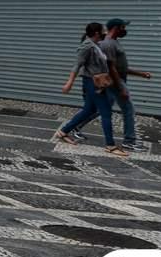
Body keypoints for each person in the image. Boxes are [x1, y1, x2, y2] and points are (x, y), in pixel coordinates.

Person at [54, 22, 128, 157]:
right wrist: (69, 83)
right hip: (92, 83)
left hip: (98, 82)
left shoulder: (97, 46)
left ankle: (63, 131)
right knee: (106, 112)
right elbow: (77, 65)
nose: (105, 32)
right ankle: (110, 145)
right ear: (96, 33)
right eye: (103, 31)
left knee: (90, 109)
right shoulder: (86, 47)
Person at [99, 18, 151, 152]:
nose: (125, 30)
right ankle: (129, 141)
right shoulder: (108, 44)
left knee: (100, 108)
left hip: (117, 80)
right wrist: (121, 87)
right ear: (116, 28)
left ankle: (73, 127)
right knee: (128, 109)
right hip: (115, 81)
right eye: (123, 27)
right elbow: (112, 68)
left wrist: (140, 73)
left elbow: (120, 67)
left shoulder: (115, 42)